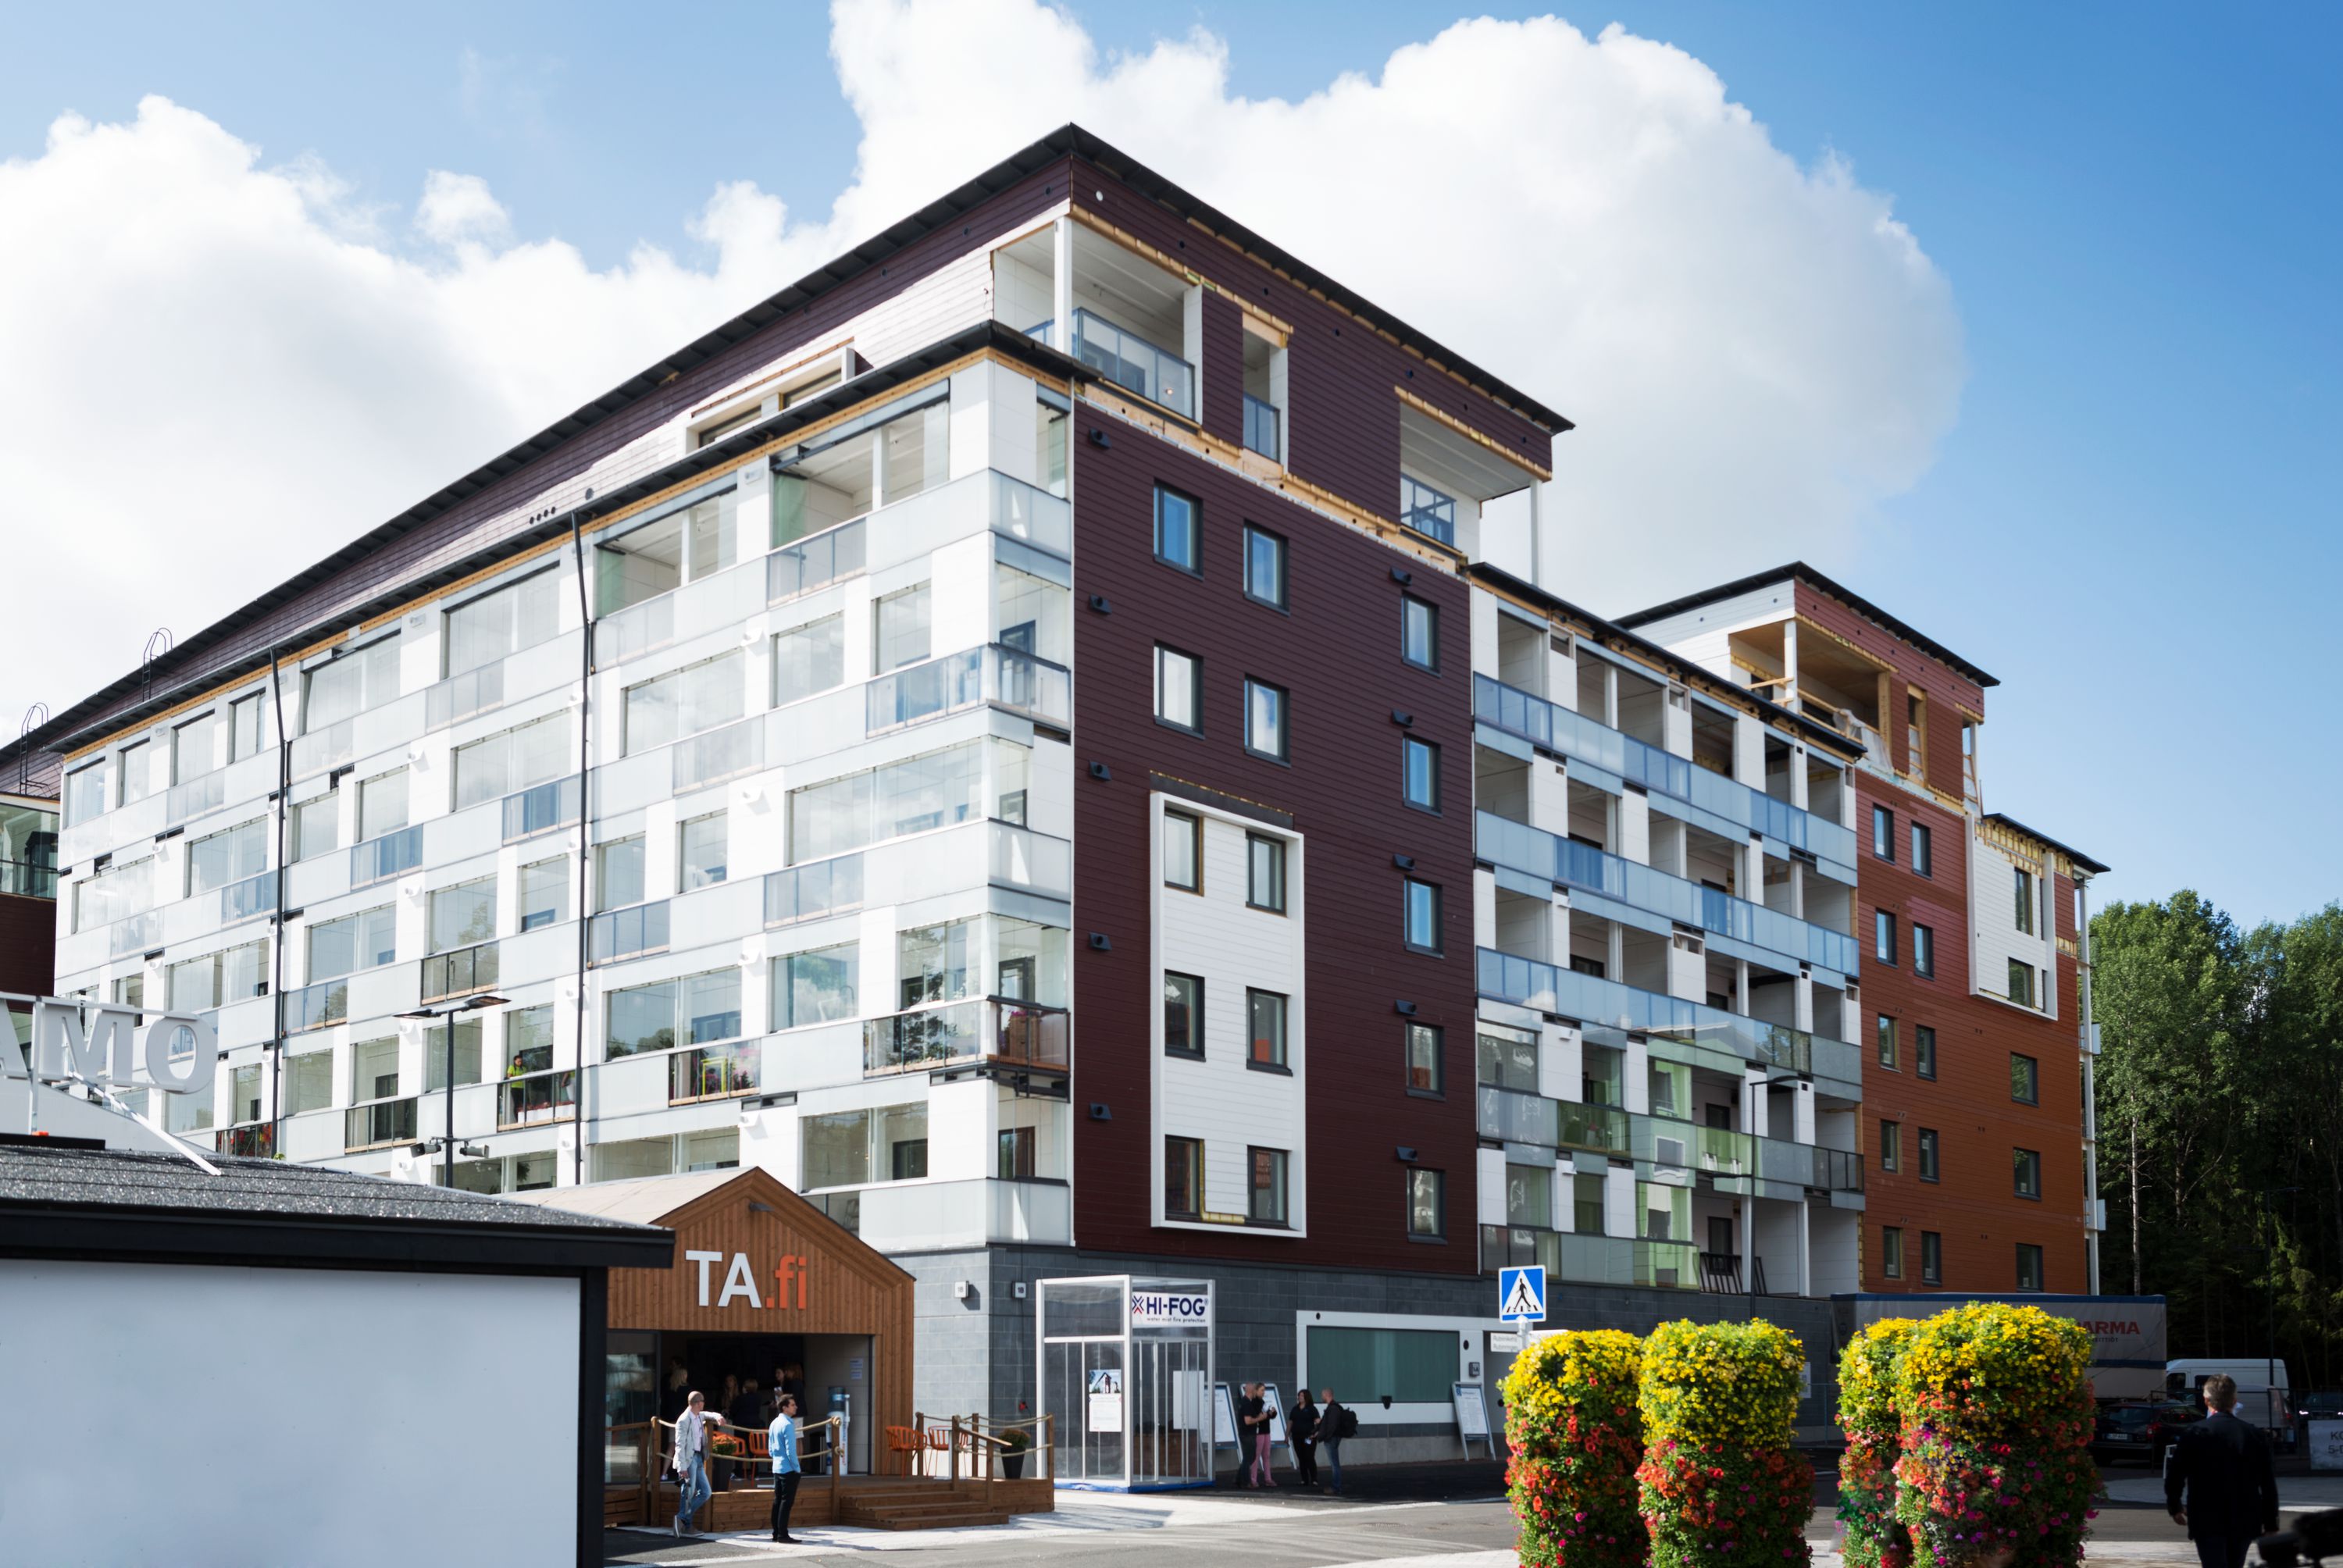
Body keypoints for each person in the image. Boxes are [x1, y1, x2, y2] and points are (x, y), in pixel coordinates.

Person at [2166, 1373, 2280, 1568]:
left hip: (2206, 1516)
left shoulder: (2194, 1434)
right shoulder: (2254, 1435)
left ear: (2206, 1400)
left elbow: (2176, 1475)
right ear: (2234, 1401)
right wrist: (2271, 1523)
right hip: (2244, 1516)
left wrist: (2174, 1505)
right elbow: (2268, 1483)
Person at [671, 1390, 725, 1537]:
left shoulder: (698, 1415)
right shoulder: (683, 1420)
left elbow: (708, 1414)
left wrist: (718, 1416)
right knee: (688, 1493)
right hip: (689, 1460)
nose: (704, 1404)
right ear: (698, 1403)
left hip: (699, 1458)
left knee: (706, 1492)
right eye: (703, 1402)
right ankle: (686, 1525)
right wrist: (682, 1467)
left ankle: (681, 1519)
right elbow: (679, 1445)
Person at [768, 1392, 804, 1544]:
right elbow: (791, 1451)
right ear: (784, 1408)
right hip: (788, 1469)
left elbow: (770, 1449)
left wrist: (776, 1459)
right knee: (786, 1502)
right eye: (792, 1405)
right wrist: (797, 1468)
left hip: (777, 1467)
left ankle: (776, 1533)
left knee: (778, 1500)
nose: (796, 1407)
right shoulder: (788, 1424)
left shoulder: (774, 1423)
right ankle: (783, 1534)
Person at [1318, 1389, 1352, 1496]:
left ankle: (1336, 1487)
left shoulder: (1332, 1409)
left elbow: (1331, 1425)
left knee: (1334, 1464)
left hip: (1332, 1439)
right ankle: (1336, 1486)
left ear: (1327, 1395)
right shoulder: (1335, 1407)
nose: (1321, 1397)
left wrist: (1326, 1437)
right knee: (1335, 1463)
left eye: (1322, 1395)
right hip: (1335, 1437)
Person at [1236, 1383, 1269, 1488]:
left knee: (1250, 1457)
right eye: (1255, 1389)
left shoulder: (1244, 1402)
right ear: (1252, 1391)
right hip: (1248, 1434)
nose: (1256, 1392)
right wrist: (1260, 1418)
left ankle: (1238, 1479)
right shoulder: (1247, 1403)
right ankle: (1246, 1482)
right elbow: (1248, 1421)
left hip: (1247, 1433)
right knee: (1249, 1457)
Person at [1289, 1390, 1320, 1489]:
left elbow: (1318, 1423)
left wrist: (1316, 1433)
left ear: (1307, 1397)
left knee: (1309, 1457)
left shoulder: (1312, 1409)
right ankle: (1304, 1479)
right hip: (1297, 1437)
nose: (1300, 1397)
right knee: (1301, 1458)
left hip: (1309, 1437)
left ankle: (1314, 1479)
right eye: (1299, 1395)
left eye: (1302, 1395)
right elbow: (1290, 1422)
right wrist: (1286, 1435)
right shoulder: (1295, 1409)